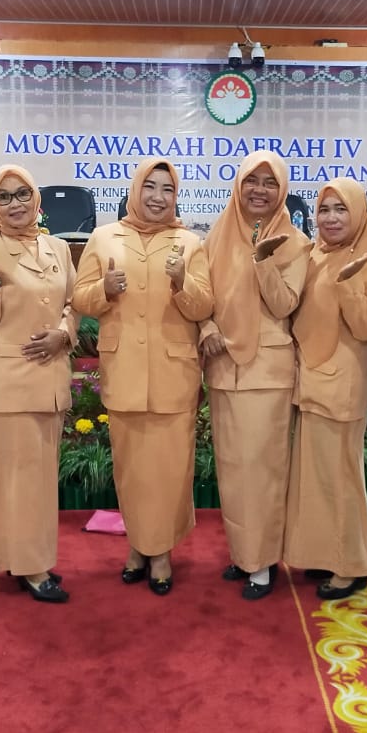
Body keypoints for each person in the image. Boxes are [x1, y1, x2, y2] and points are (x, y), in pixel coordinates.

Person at [72, 158, 212, 595]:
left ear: (176, 196)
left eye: (167, 189)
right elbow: (80, 299)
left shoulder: (190, 242)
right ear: (135, 190)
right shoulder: (103, 237)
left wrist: (182, 283)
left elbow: (204, 306)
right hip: (126, 371)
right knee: (132, 469)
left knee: (170, 470)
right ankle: (137, 545)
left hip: (174, 372)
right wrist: (104, 290)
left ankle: (162, 550)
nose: (157, 196)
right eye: (150, 186)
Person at [0, 164, 75, 603]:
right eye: (4, 197)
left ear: (36, 198)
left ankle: (27, 555)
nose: (15, 204)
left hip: (51, 376)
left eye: (22, 193)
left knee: (39, 477)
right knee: (17, 478)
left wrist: (64, 333)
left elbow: (72, 303)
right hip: (10, 378)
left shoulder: (58, 247)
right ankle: (31, 566)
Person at [200, 150, 310, 600]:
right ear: (238, 185)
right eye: (252, 181)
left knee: (262, 470)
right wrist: (206, 327)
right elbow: (201, 297)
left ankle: (262, 562)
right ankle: (243, 553)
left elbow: (285, 304)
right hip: (224, 366)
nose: (259, 190)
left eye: (269, 182)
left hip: (267, 370)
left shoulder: (296, 243)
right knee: (232, 468)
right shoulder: (217, 235)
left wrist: (263, 260)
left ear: (282, 190)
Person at [284, 177, 367, 600]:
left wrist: (347, 284)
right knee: (315, 476)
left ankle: (351, 566)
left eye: (340, 209)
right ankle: (325, 553)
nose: (330, 218)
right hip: (310, 377)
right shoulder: (313, 255)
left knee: (341, 478)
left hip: (342, 383)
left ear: (358, 212)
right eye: (324, 209)